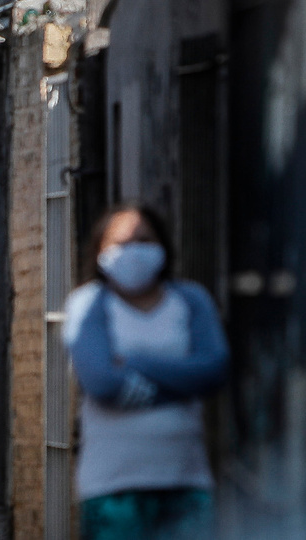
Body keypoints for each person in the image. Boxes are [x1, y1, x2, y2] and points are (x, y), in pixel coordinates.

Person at [62, 204, 229, 540]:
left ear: (163, 246)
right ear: (99, 251)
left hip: (185, 482)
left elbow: (213, 370)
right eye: (121, 243)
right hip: (112, 490)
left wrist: (135, 362)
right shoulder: (88, 303)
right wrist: (181, 385)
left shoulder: (192, 300)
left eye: (144, 239)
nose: (134, 250)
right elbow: (102, 383)